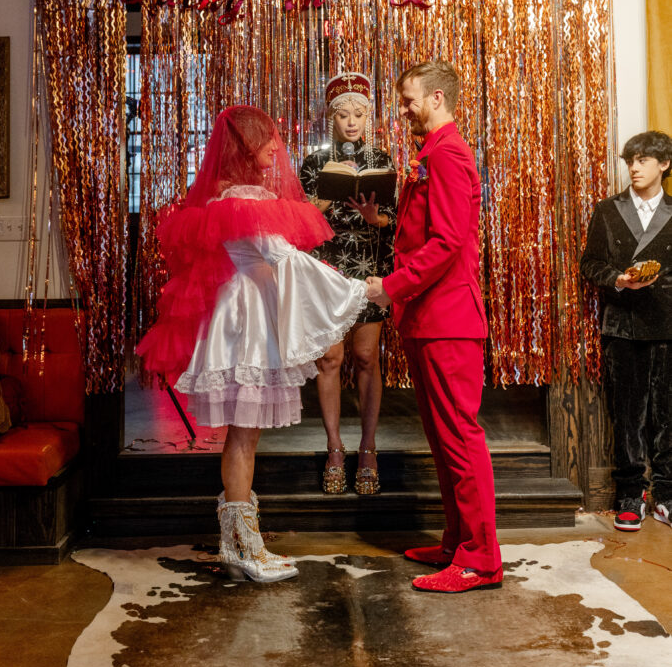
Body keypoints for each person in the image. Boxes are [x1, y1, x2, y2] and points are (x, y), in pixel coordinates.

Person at [137, 106, 368, 582]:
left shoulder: (227, 196)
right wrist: (357, 289)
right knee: (243, 433)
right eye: (269, 141)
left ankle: (239, 540)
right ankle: (243, 544)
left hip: (241, 312)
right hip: (245, 323)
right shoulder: (243, 198)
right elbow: (285, 259)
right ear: (248, 147)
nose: (277, 149)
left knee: (245, 433)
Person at [366, 60, 502, 594]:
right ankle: (456, 543)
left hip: (448, 318)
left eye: (408, 100)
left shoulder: (446, 153)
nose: (402, 110)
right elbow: (426, 230)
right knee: (444, 440)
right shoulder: (432, 154)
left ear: (438, 98)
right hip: (429, 318)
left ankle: (480, 561)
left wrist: (391, 286)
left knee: (461, 440)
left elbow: (447, 243)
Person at [300, 72, 397, 496]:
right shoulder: (313, 160)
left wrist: (378, 219)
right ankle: (335, 449)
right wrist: (323, 199)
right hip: (327, 270)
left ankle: (369, 449)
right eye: (343, 115)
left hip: (370, 268)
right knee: (330, 359)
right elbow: (297, 223)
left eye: (359, 114)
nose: (352, 122)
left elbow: (401, 222)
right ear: (331, 118)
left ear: (368, 117)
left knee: (365, 357)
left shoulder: (383, 160)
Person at [580, 130, 672, 532]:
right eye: (630, 159)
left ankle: (667, 496)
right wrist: (619, 279)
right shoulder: (608, 210)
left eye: (643, 160)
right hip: (622, 325)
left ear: (664, 164)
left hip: (668, 324)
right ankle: (630, 497)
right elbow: (590, 264)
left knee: (668, 416)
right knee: (628, 415)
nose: (633, 167)